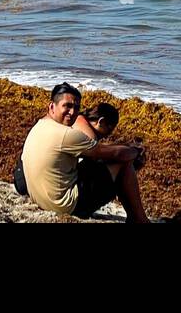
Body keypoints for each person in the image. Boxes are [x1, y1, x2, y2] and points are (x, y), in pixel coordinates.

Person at [16, 82, 149, 222]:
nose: (72, 112)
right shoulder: (66, 134)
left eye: (76, 107)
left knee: (93, 163)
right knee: (123, 163)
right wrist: (136, 151)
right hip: (65, 206)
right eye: (67, 106)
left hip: (40, 199)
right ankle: (139, 219)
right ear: (52, 106)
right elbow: (115, 154)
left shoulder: (40, 125)